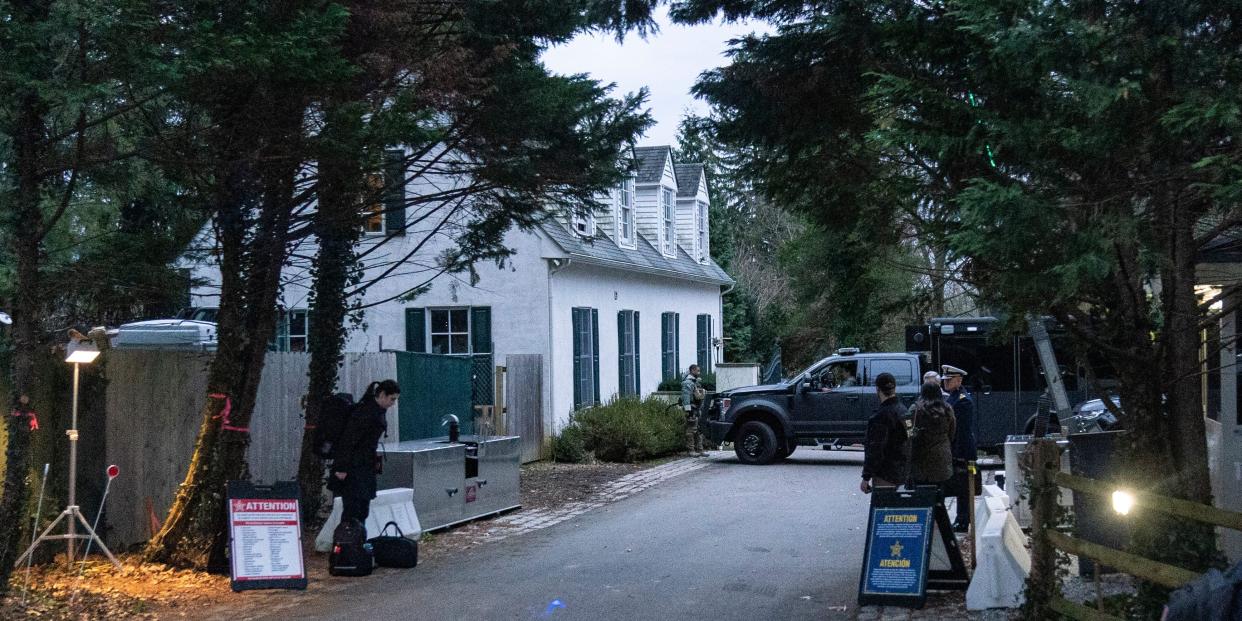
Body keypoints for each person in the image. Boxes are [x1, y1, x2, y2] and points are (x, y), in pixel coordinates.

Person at [330, 379, 400, 524]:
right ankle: (347, 542)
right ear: (382, 394)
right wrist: (341, 467)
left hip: (364, 465)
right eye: (392, 399)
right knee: (353, 509)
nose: (393, 403)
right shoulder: (365, 412)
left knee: (362, 509)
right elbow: (348, 439)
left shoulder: (375, 410)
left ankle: (355, 541)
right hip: (353, 467)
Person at [860, 372, 910, 493]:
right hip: (904, 472)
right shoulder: (905, 411)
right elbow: (911, 438)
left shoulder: (880, 417)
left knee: (885, 509)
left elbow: (875, 449)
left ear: (877, 389)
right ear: (894, 389)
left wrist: (866, 477)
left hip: (886, 474)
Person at [943, 364, 977, 531]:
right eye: (945, 380)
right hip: (957, 448)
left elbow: (961, 431)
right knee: (959, 485)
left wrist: (957, 453)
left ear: (958, 380)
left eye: (949, 380)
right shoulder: (953, 397)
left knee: (964, 486)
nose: (946, 383)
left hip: (963, 450)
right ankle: (961, 518)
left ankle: (963, 520)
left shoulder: (962, 401)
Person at [908, 381, 956, 489]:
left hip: (920, 459)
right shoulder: (947, 409)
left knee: (922, 496)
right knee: (939, 493)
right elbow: (952, 433)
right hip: (942, 459)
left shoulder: (914, 409)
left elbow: (908, 431)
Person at [681, 364, 707, 457]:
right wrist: (688, 410)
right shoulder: (688, 383)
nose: (699, 373)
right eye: (697, 371)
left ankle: (700, 449)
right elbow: (686, 397)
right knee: (691, 430)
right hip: (692, 408)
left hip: (697, 408)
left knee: (699, 430)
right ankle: (691, 450)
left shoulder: (695, 382)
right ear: (692, 370)